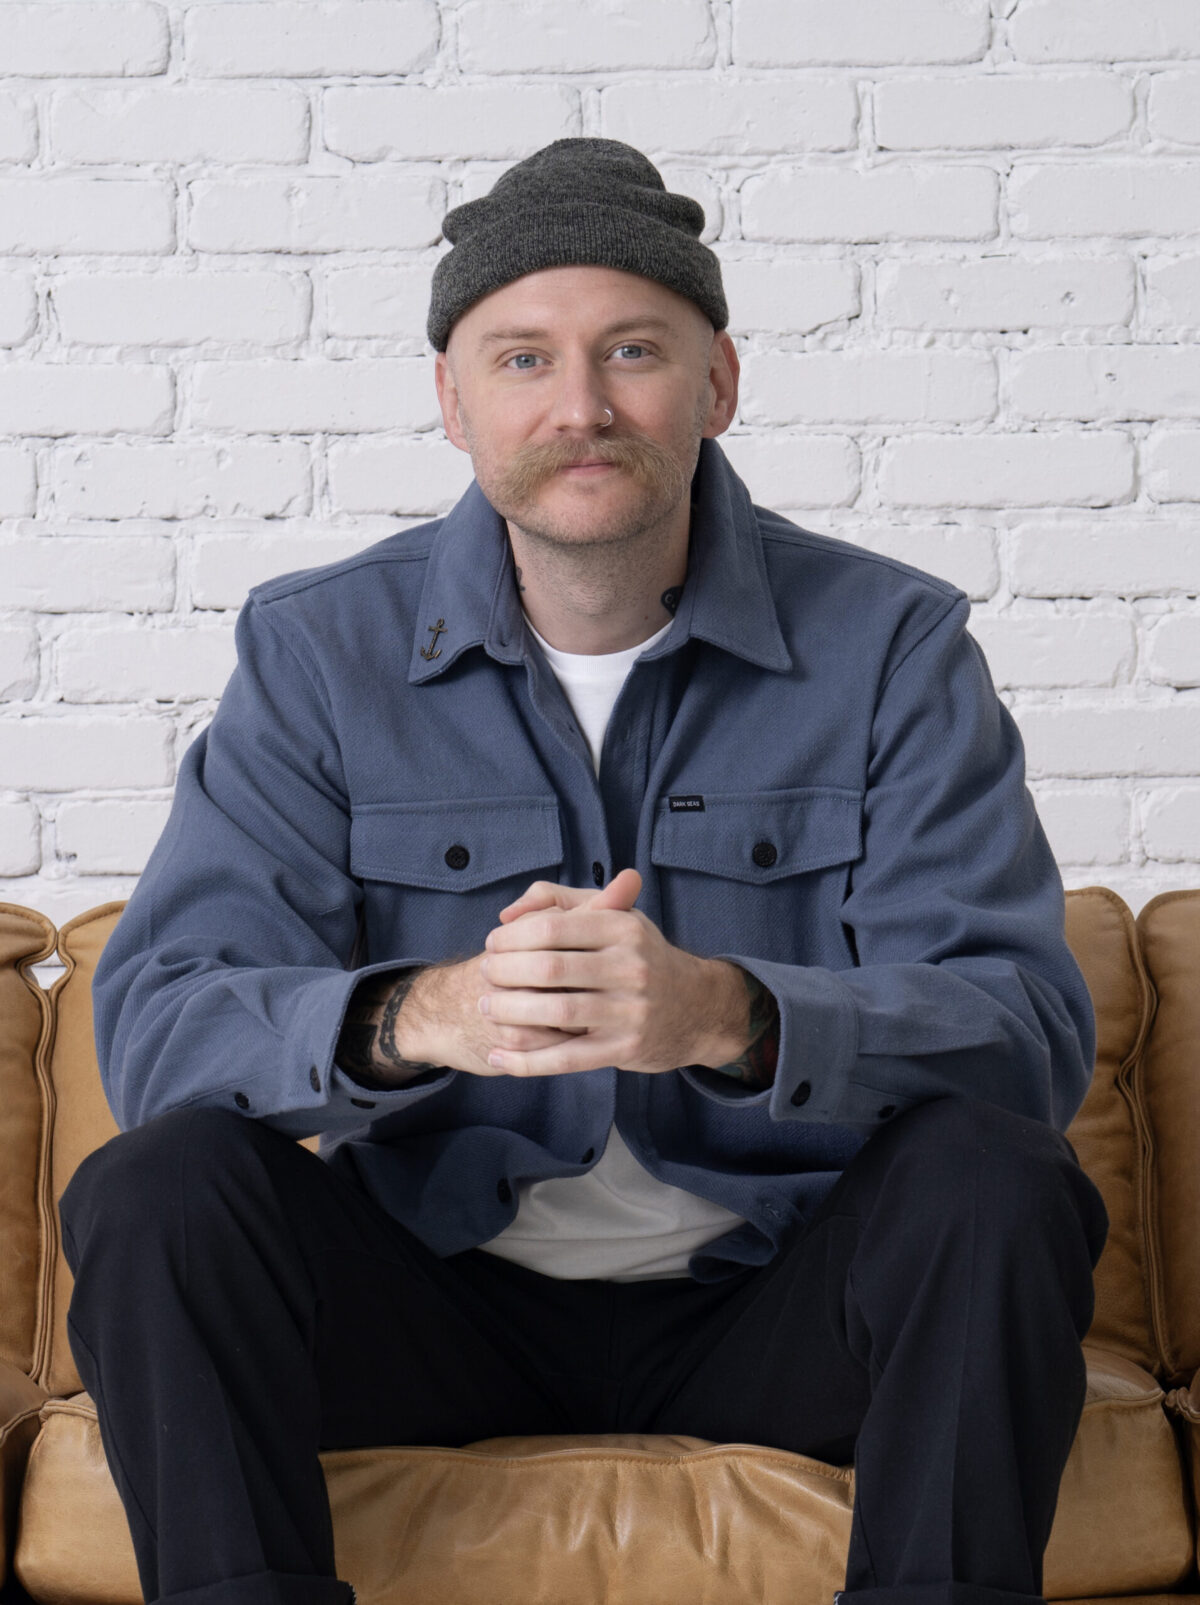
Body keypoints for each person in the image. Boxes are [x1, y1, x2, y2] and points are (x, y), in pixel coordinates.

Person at [60, 138, 1109, 1605]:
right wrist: (416, 1016)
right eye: (522, 358)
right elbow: (160, 1025)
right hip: (431, 1298)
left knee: (997, 1181)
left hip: (783, 1301)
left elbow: (1025, 1036)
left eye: (633, 351)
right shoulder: (316, 653)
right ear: (454, 402)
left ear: (718, 383)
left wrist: (735, 1017)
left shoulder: (892, 648)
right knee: (155, 1188)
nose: (581, 407)